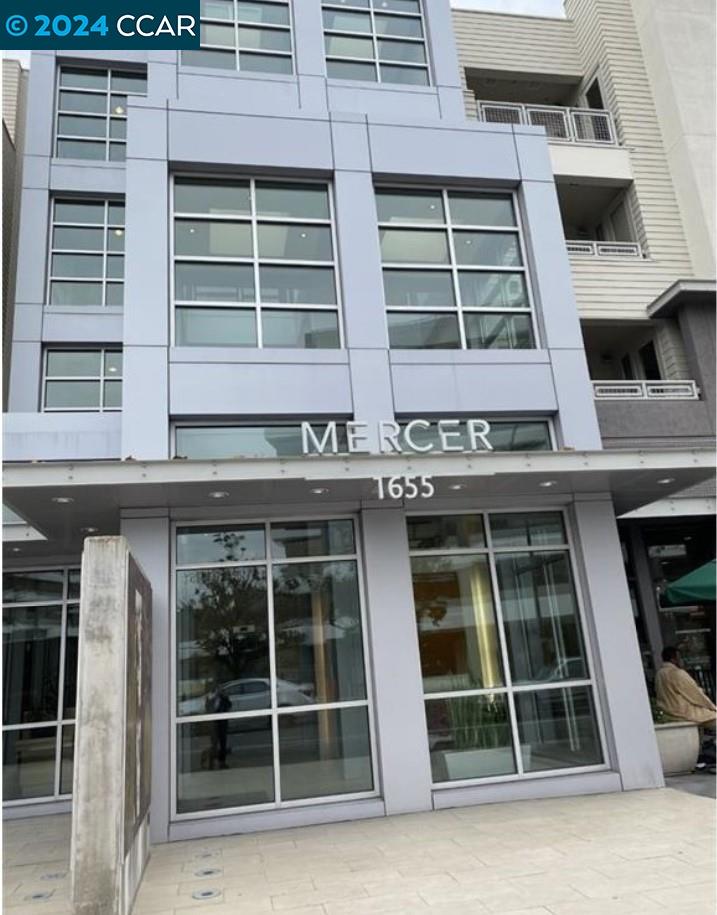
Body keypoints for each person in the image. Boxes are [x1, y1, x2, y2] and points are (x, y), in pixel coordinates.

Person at [655, 646, 716, 728]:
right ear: (673, 659)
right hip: (683, 711)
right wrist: (712, 707)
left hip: (667, 710)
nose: (682, 661)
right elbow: (696, 695)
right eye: (680, 658)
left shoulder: (659, 674)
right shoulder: (677, 673)